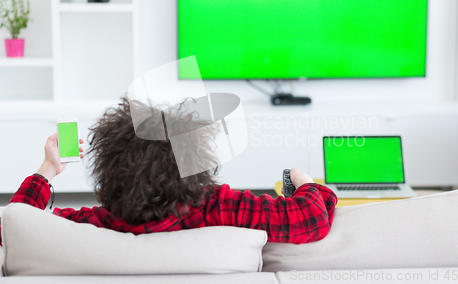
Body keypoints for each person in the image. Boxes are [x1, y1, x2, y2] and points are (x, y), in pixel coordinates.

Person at [0, 98, 337, 245]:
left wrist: (47, 169)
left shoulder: (90, 225)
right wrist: (308, 184)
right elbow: (311, 218)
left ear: (107, 172)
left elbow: (12, 228)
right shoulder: (219, 208)